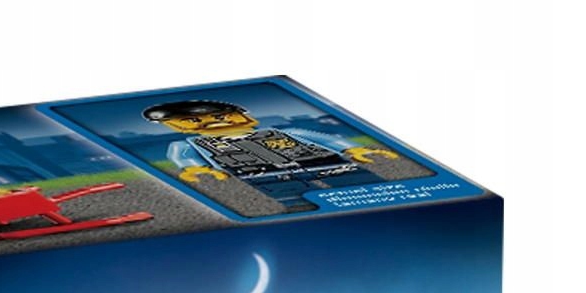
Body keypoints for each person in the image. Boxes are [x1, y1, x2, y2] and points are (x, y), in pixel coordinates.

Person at [143, 99, 399, 213]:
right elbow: (184, 156)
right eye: (193, 120)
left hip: (326, 163)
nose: (214, 122)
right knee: (295, 198)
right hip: (262, 175)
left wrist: (352, 149)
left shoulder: (285, 132)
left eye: (222, 116)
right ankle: (301, 214)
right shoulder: (191, 143)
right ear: (175, 125)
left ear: (244, 116)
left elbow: (324, 139)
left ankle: (381, 207)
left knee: (360, 186)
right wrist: (195, 169)